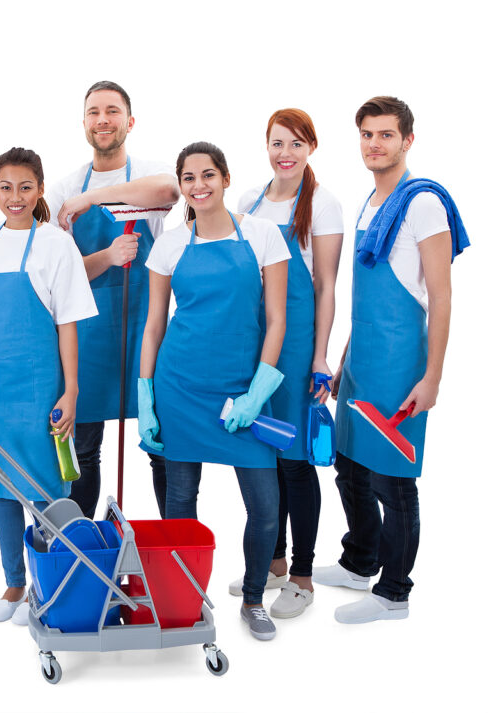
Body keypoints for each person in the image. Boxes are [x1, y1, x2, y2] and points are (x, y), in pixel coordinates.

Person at [317, 96, 468, 624]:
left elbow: (442, 297)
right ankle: (360, 561)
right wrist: (342, 361)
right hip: (363, 362)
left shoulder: (422, 204)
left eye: (385, 135)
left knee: (392, 480)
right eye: (366, 134)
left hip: (402, 364)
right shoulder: (371, 204)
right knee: (350, 467)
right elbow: (365, 297)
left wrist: (433, 376)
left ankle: (393, 594)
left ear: (407, 141)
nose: (374, 144)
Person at [139, 142, 290, 641]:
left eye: (208, 175)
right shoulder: (170, 243)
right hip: (180, 386)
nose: (198, 186)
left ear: (225, 178)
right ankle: (184, 600)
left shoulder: (263, 235)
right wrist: (145, 394)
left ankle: (252, 599)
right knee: (180, 503)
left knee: (265, 507)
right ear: (181, 186)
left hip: (241, 387)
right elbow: (155, 325)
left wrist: (257, 393)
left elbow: (276, 320)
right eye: (189, 178)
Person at [0, 147, 96, 624]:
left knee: (46, 491)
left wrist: (70, 390)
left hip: (38, 387)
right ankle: (13, 585)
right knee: (1, 487)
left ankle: (50, 584)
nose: (16, 197)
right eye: (6, 187)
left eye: (25, 187)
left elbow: (68, 323)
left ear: (40, 190)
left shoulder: (55, 244)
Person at [228, 109, 344, 618]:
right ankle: (272, 562)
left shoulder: (322, 204)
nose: (286, 153)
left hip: (296, 345)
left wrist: (319, 356)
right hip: (257, 339)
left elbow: (324, 286)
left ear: (311, 148)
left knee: (295, 461)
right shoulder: (247, 202)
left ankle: (302, 574)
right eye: (278, 143)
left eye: (296, 144)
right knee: (263, 453)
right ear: (266, 146)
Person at [46, 81, 178, 519]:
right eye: (94, 112)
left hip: (145, 327)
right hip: (87, 335)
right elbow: (58, 277)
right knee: (84, 449)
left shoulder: (148, 172)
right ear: (84, 122)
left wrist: (94, 197)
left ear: (130, 121)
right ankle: (84, 553)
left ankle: (169, 545)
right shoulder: (63, 187)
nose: (103, 119)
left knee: (160, 444)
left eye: (113, 111)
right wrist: (106, 257)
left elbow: (168, 192)